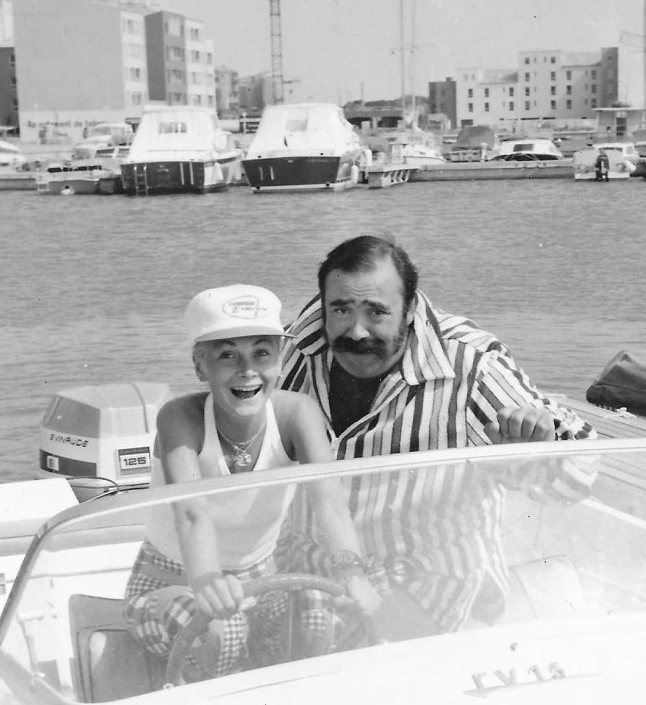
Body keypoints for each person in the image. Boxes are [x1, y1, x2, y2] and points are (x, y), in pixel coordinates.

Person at [278, 235, 595, 635]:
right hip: (310, 567)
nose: (356, 331)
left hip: (429, 573)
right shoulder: (296, 345)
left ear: (409, 309)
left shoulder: (469, 364)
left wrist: (533, 450)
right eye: (340, 309)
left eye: (376, 312)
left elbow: (578, 473)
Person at [125, 284, 377, 676]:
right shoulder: (179, 418)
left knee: (323, 619)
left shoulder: (298, 414)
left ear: (279, 359)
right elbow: (192, 514)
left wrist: (352, 572)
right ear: (199, 366)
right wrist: (207, 584)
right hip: (175, 579)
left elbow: (330, 503)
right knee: (220, 632)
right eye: (227, 355)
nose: (247, 370)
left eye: (262, 352)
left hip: (263, 577)